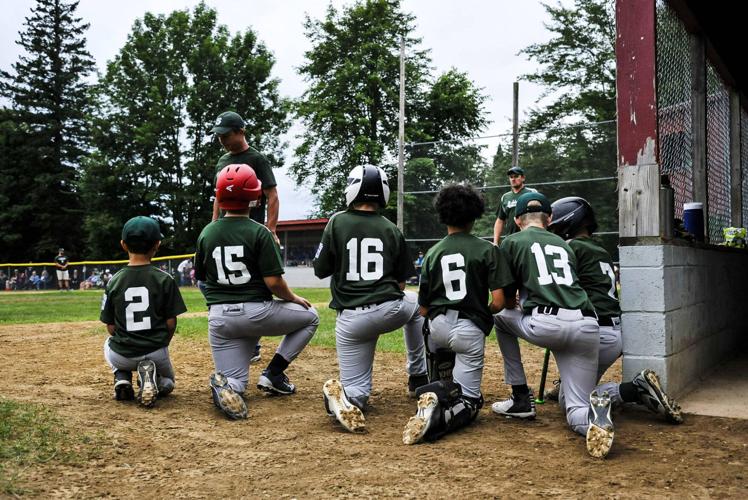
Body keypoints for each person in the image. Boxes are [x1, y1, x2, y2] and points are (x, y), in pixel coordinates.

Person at [491, 191, 612, 458]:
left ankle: (520, 397)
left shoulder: (511, 241)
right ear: (549, 218)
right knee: (575, 408)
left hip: (547, 324)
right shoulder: (565, 244)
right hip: (587, 325)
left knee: (500, 319)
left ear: (518, 219)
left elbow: (507, 302)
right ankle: (594, 417)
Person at [194, 163, 319, 420]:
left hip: (220, 320)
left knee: (236, 384)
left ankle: (225, 386)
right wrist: (293, 298)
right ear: (254, 195)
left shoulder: (207, 233)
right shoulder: (259, 232)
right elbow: (274, 283)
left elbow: (202, 279)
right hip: (256, 313)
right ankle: (273, 373)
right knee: (311, 316)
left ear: (219, 197)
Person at [544, 197, 683, 425]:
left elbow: (561, 290)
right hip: (614, 334)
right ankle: (575, 384)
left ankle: (634, 389)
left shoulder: (571, 248)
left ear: (569, 223)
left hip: (591, 333)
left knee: (570, 403)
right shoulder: (599, 250)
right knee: (575, 388)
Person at [314, 164, 427, 433]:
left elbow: (320, 270)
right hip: (390, 310)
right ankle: (418, 376)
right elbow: (400, 283)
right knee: (417, 305)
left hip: (351, 319)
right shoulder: (391, 228)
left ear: (352, 190)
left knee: (359, 394)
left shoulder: (336, 221)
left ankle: (344, 398)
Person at [402, 184, 512, 445]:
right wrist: (480, 314)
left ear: (443, 215)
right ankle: (439, 415)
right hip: (468, 329)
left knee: (441, 363)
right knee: (472, 402)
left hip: (436, 329)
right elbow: (498, 302)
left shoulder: (432, 253)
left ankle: (438, 390)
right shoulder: (488, 250)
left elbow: (423, 309)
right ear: (474, 215)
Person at [100, 216, 187, 408]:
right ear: (157, 244)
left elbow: (110, 326)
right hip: (156, 352)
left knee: (108, 344)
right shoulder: (165, 279)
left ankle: (121, 376)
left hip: (123, 355)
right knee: (169, 382)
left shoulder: (114, 280)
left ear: (123, 245)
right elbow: (171, 323)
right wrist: (161, 344)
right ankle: (154, 380)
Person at [208, 111, 279, 244]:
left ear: (240, 132)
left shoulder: (257, 159)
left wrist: (271, 231)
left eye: (226, 136)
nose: (222, 140)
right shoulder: (222, 161)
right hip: (225, 230)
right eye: (219, 136)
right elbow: (218, 196)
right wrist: (214, 225)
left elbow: (272, 195)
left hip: (251, 231)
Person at [493, 166, 537, 246]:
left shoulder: (532, 193)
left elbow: (540, 215)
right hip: (511, 239)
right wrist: (495, 242)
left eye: (516, 176)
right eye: (511, 177)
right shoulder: (505, 197)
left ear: (523, 178)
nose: (513, 179)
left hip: (529, 238)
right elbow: (500, 220)